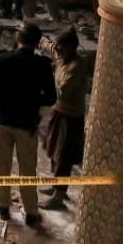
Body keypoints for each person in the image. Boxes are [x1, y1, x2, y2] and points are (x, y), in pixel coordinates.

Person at [0, 23, 57, 226]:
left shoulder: (2, 59)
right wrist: (35, 107)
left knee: (1, 166)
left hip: (2, 119)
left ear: (18, 39)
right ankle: (30, 211)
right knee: (28, 169)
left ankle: (3, 207)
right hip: (27, 123)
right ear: (37, 43)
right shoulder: (43, 65)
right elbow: (51, 97)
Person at [39, 28, 88, 210]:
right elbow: (48, 46)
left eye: (62, 48)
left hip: (71, 116)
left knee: (64, 156)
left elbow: (63, 91)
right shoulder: (60, 55)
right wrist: (38, 39)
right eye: (58, 47)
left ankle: (59, 196)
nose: (58, 51)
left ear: (72, 48)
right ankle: (56, 186)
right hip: (58, 112)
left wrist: (51, 74)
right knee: (52, 150)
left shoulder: (76, 66)